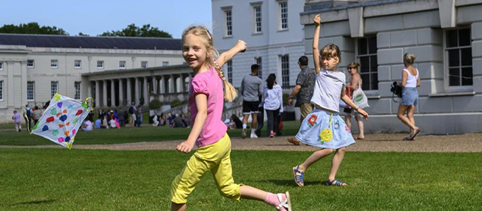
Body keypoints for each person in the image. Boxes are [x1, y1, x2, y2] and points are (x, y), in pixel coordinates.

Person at [170, 25, 291, 211]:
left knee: (179, 189)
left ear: (208, 51)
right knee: (228, 188)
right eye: (186, 48)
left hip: (210, 145)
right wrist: (238, 46)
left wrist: (190, 140)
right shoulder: (213, 68)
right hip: (222, 140)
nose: (189, 53)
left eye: (196, 48)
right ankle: (277, 199)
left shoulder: (199, 81)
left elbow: (202, 112)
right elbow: (225, 56)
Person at [290, 14, 369, 187]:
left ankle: (331, 178)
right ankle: (300, 168)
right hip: (321, 115)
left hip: (335, 117)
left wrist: (358, 109)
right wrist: (317, 26)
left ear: (337, 60)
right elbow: (315, 47)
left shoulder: (341, 76)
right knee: (328, 148)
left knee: (341, 148)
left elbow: (343, 96)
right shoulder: (320, 73)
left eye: (329, 58)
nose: (325, 61)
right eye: (323, 58)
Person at [287, 56, 316, 145]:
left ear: (300, 63)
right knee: (303, 119)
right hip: (312, 97)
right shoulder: (312, 72)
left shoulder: (302, 73)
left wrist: (291, 97)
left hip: (304, 98)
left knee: (308, 119)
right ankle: (299, 138)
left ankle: (309, 139)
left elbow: (298, 87)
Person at [397, 53, 421, 141]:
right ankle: (412, 135)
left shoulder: (405, 70)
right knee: (410, 115)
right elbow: (418, 84)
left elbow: (403, 84)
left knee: (400, 115)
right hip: (415, 93)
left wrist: (397, 84)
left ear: (405, 61)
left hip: (407, 93)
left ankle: (414, 128)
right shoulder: (416, 70)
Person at [240, 64, 263, 139]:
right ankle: (252, 133)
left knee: (245, 116)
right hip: (254, 100)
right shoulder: (259, 80)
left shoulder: (245, 78)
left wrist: (245, 94)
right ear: (256, 70)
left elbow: (241, 89)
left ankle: (244, 128)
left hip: (246, 99)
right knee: (254, 116)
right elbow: (261, 92)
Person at [344, 62, 366, 140]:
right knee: (358, 116)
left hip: (352, 98)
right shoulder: (358, 76)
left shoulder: (354, 76)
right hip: (358, 98)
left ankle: (348, 134)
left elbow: (353, 87)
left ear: (355, 69)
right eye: (348, 69)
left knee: (347, 116)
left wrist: (346, 85)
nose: (349, 70)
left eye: (351, 68)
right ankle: (361, 134)